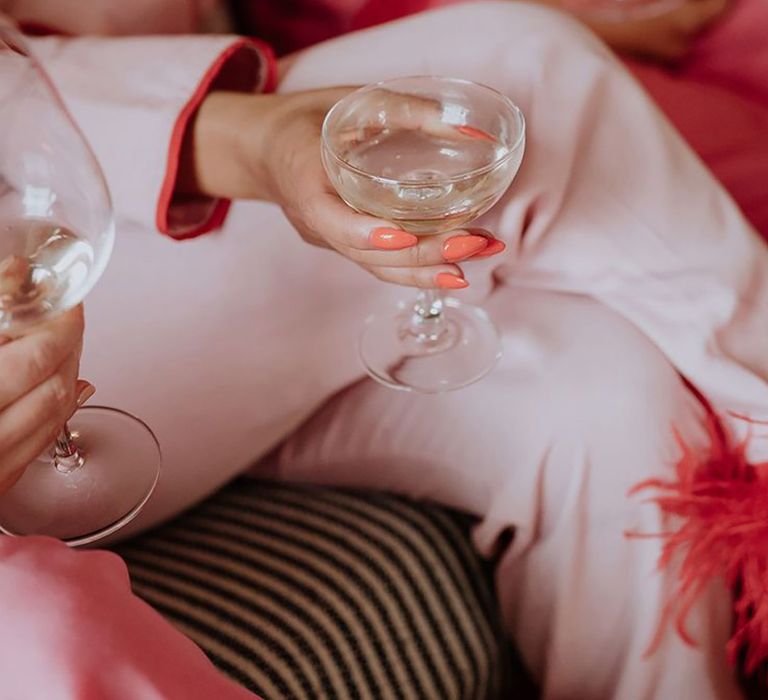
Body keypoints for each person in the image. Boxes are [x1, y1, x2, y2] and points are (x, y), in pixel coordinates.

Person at [2, 1, 768, 697]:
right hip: (61, 286)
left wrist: (258, 132)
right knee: (521, 69)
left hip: (135, 262)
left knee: (608, 403)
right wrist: (249, 137)